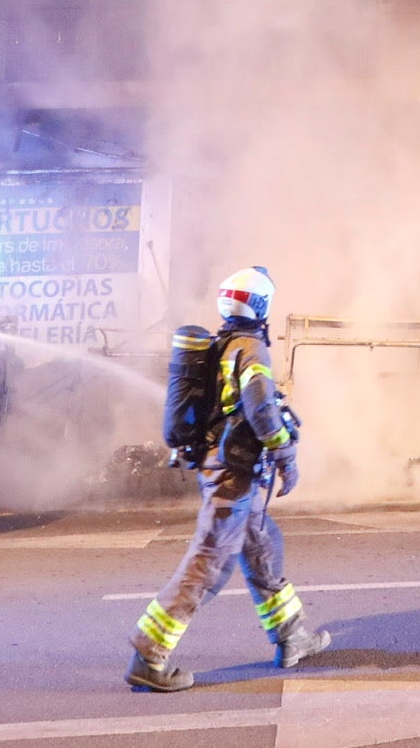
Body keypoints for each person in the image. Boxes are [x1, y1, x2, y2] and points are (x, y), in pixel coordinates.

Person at [127, 266, 330, 693]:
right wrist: (286, 454)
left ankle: (292, 635)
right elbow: (260, 409)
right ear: (261, 305)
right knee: (208, 562)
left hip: (225, 468)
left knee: (261, 545)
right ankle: (149, 655)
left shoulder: (222, 345)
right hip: (234, 476)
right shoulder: (250, 349)